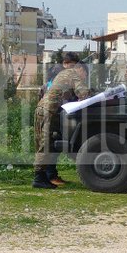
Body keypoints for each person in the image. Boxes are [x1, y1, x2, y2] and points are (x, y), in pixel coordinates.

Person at [33, 52, 90, 189]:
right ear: (79, 68)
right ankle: (39, 178)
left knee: (48, 142)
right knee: (45, 143)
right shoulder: (72, 73)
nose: (84, 76)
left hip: (44, 109)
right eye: (84, 73)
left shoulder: (63, 74)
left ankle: (44, 176)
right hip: (48, 111)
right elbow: (83, 92)